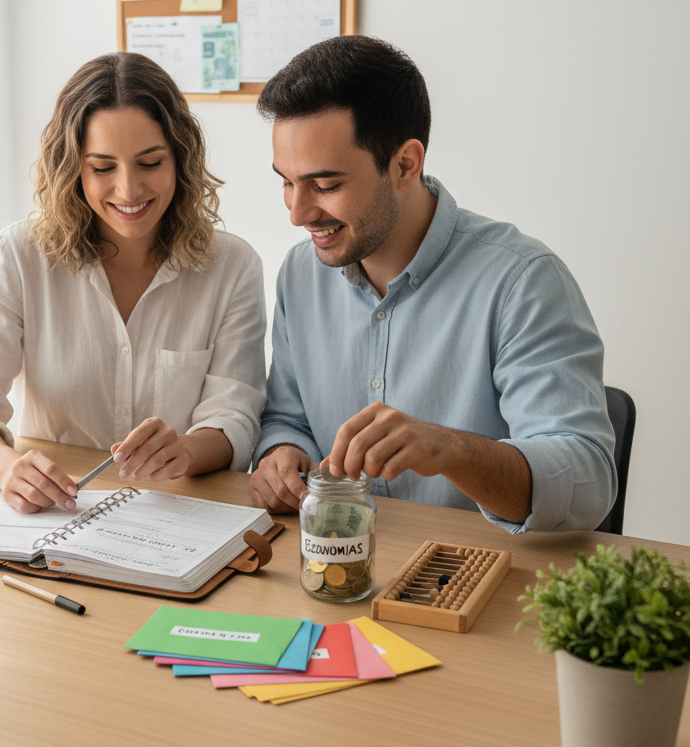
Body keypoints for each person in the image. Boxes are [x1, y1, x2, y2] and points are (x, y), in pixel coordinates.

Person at [0, 52, 266, 747]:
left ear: (181, 160)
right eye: (102, 167)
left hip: (178, 555)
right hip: (58, 560)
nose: (128, 189)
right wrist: (4, 465)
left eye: (150, 163)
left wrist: (192, 448)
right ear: (70, 168)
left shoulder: (231, 266)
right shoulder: (21, 256)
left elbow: (237, 414)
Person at [247, 35, 616, 533]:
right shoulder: (300, 272)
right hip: (335, 569)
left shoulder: (521, 281)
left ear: (405, 164)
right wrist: (282, 452)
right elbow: (288, 419)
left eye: (326, 185)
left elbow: (589, 482)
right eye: (286, 182)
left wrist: (448, 449)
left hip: (478, 585)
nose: (297, 213)